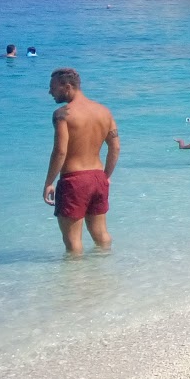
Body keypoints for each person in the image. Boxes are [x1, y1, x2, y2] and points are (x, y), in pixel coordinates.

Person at [42, 68, 119, 255]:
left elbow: (60, 151)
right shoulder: (104, 111)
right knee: (101, 234)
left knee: (73, 242)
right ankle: (105, 272)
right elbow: (115, 148)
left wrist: (49, 182)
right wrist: (106, 176)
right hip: (97, 177)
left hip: (74, 181)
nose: (50, 92)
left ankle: (75, 282)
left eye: (53, 87)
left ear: (67, 87)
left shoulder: (63, 114)